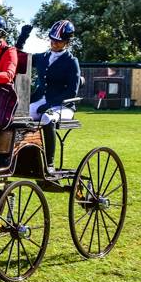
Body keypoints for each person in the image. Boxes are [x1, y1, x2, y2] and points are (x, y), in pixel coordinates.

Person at [27, 19, 81, 171]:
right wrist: (22, 39)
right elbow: (19, 58)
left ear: (67, 42)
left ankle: (49, 164)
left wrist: (50, 105)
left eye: (59, 41)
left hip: (63, 105)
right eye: (53, 40)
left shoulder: (71, 62)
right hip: (41, 101)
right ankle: (26, 156)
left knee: (47, 118)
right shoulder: (42, 57)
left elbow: (72, 91)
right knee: (18, 116)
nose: (54, 43)